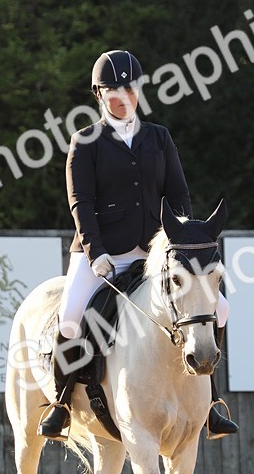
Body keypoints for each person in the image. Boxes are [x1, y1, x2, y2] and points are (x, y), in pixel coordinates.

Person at [37, 49, 238, 441]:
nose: (122, 96)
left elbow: (178, 195)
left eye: (128, 88)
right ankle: (61, 404)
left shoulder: (158, 137)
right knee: (71, 317)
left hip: (155, 252)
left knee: (222, 308)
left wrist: (180, 240)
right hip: (102, 253)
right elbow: (82, 204)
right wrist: (96, 255)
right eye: (112, 90)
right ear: (99, 95)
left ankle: (211, 402)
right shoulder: (85, 142)